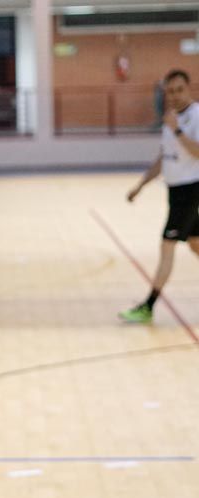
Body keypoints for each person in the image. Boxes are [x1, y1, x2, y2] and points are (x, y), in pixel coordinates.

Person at [120, 69, 199, 324]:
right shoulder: (171, 119)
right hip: (175, 191)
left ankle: (149, 305)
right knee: (196, 244)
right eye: (170, 91)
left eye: (179, 90)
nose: (174, 95)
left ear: (188, 89)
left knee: (167, 247)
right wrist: (141, 185)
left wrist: (177, 131)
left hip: (190, 190)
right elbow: (163, 159)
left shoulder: (196, 116)